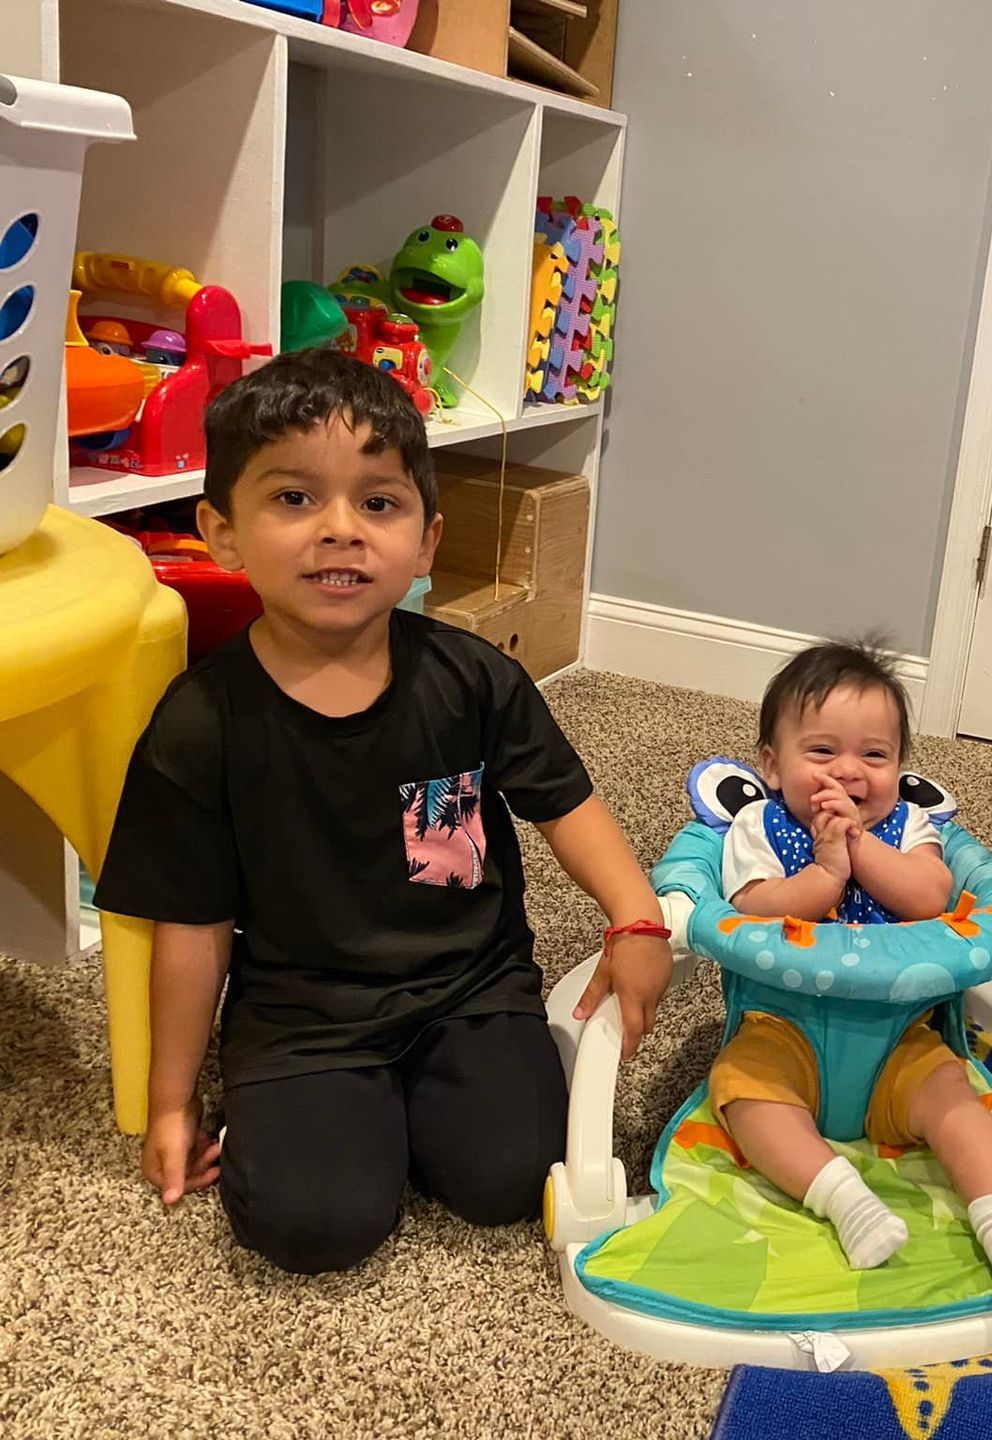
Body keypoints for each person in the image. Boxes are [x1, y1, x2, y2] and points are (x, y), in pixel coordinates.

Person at [94, 349, 674, 1273]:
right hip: (304, 1014)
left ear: (427, 542)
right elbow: (192, 927)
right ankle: (345, 1118)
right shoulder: (200, 724)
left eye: (378, 502)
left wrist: (637, 919)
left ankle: (425, 1106)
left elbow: (567, 805)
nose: (340, 531)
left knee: (510, 1176)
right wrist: (172, 1105)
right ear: (221, 531)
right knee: (311, 1226)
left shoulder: (472, 680)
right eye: (292, 499)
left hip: (470, 985)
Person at [710, 643, 992, 1316]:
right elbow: (751, 911)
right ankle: (845, 1199)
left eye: (874, 757)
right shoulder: (756, 825)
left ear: (900, 769)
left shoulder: (910, 827)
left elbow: (933, 898)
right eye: (821, 752)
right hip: (784, 1028)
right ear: (771, 764)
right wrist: (823, 875)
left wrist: (860, 848)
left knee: (957, 1104)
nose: (849, 772)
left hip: (896, 1034)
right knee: (741, 1092)